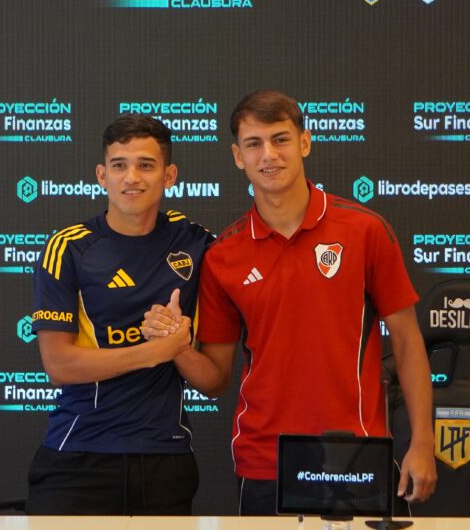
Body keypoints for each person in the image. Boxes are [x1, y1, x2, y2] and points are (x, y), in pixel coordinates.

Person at [143, 90, 437, 515]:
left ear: (304, 142)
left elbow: (408, 342)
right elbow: (215, 379)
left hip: (356, 452)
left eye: (280, 139)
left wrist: (423, 442)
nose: (269, 155)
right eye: (254, 143)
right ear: (238, 156)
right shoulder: (223, 255)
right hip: (264, 460)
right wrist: (176, 346)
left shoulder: (365, 230)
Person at [27, 114, 214, 515]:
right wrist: (155, 351)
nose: (132, 177)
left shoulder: (199, 245)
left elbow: (214, 381)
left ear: (169, 176)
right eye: (119, 165)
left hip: (165, 458)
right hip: (79, 454)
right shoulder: (68, 248)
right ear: (101, 176)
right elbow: (58, 365)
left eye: (146, 165)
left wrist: (179, 346)